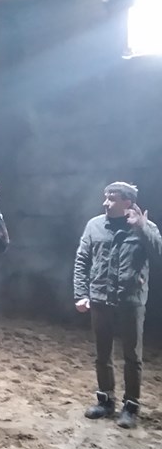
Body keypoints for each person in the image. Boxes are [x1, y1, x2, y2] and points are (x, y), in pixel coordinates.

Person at [74, 181, 162, 429]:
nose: (106, 203)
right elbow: (82, 260)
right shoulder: (94, 225)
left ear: (128, 202)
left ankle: (130, 406)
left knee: (132, 356)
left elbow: (159, 253)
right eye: (106, 197)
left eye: (112, 198)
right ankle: (105, 400)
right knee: (102, 353)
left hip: (130, 301)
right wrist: (81, 293)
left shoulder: (145, 227)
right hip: (100, 298)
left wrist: (142, 227)